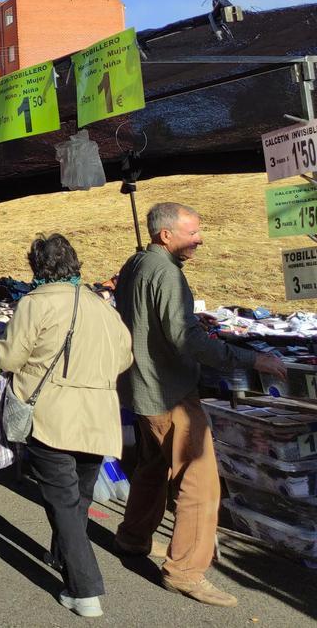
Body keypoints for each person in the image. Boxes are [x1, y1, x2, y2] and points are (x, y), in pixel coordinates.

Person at [113, 203, 286, 608]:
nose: (200, 238)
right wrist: (251, 359)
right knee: (200, 481)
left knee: (153, 466)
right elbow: (184, 338)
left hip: (143, 390)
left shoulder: (137, 262)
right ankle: (186, 571)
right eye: (192, 232)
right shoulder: (166, 273)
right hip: (168, 392)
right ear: (165, 235)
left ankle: (132, 537)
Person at [0, 234, 133, 619]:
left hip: (51, 415)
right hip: (99, 417)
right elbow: (124, 356)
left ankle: (84, 589)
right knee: (79, 498)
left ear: (37, 267)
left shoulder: (34, 304)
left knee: (65, 504)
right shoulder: (101, 306)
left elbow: (10, 356)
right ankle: (62, 556)